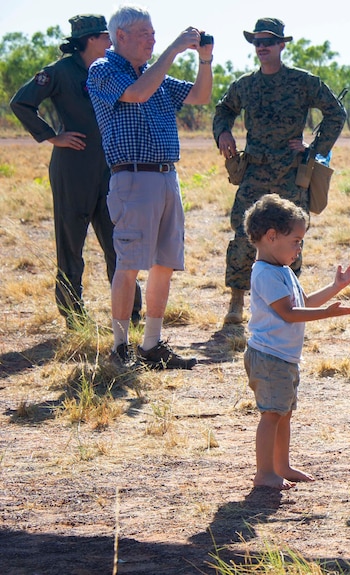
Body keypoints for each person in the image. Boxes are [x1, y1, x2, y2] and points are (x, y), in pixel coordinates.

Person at [87, 5, 213, 369]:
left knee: (164, 263)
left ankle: (152, 345)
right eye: (146, 34)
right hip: (133, 176)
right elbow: (138, 94)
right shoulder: (104, 69)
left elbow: (200, 97)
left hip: (164, 175)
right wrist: (173, 50)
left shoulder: (152, 74)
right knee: (128, 264)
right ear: (120, 37)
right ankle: (120, 348)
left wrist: (204, 61)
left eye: (155, 34)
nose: (153, 40)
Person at [10, 14, 142, 329]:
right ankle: (74, 317)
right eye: (105, 36)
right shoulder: (59, 72)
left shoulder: (114, 70)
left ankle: (129, 315)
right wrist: (52, 135)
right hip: (72, 169)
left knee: (119, 243)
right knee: (71, 244)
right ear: (88, 40)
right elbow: (21, 103)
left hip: (111, 168)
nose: (111, 42)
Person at [214, 17, 347, 325]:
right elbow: (224, 109)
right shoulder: (246, 85)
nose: (262, 47)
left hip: (290, 173)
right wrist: (223, 132)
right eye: (257, 42)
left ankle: (292, 302)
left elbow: (335, 113)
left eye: (268, 42)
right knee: (244, 235)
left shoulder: (302, 82)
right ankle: (236, 300)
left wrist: (314, 150)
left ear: (281, 45)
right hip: (255, 172)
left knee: (292, 238)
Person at [242, 194, 350, 489]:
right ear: (271, 237)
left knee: (283, 414)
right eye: (295, 240)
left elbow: (303, 301)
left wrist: (335, 287)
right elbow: (289, 313)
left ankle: (281, 466)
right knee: (271, 415)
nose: (299, 247)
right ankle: (264, 473)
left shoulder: (282, 271)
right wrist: (327, 314)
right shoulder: (265, 273)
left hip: (282, 357)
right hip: (269, 357)